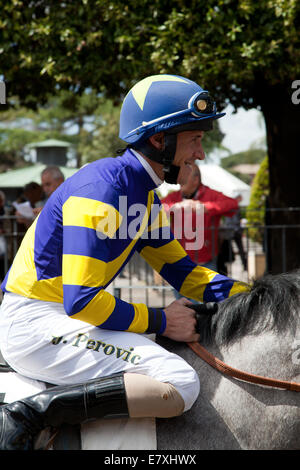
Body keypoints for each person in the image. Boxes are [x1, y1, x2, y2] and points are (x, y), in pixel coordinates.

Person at [0, 74, 249, 450]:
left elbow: (186, 275)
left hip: (64, 319)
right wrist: (161, 319)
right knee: (181, 381)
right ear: (158, 140)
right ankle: (28, 413)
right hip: (35, 324)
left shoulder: (146, 199)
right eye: (196, 138)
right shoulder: (102, 190)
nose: (200, 154)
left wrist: (264, 296)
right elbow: (81, 300)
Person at [162, 164, 239, 273]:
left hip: (205, 261)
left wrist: (206, 207)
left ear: (195, 179)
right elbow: (158, 207)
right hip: (179, 259)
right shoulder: (174, 197)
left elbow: (233, 204)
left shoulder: (211, 195)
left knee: (207, 290)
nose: (179, 181)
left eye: (183, 177)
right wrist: (174, 207)